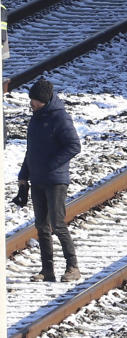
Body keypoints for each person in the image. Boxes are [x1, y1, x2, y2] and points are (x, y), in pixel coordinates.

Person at [13, 78, 82, 283]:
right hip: (38, 180)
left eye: (35, 101)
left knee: (58, 224)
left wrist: (51, 165)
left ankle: (72, 267)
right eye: (31, 100)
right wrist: (23, 176)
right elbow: (31, 151)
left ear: (45, 100)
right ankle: (47, 270)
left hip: (55, 180)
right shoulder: (35, 118)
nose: (31, 104)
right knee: (42, 226)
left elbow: (73, 145)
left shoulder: (60, 118)